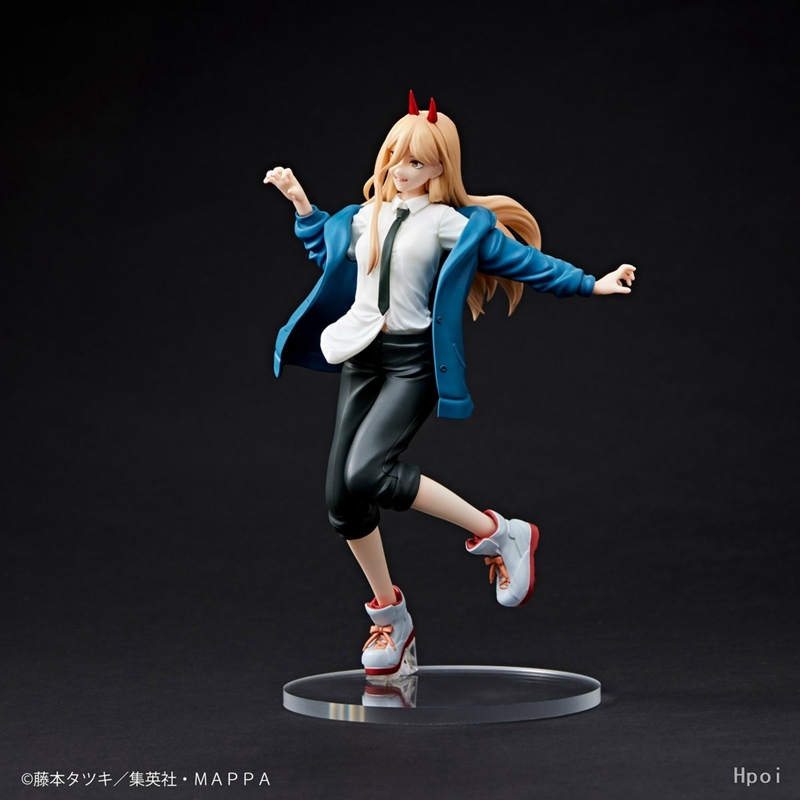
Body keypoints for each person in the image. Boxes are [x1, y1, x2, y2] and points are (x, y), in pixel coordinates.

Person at [264, 91, 636, 679]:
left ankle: (499, 533)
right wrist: (303, 206)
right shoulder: (362, 217)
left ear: (440, 167)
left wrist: (591, 282)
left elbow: (525, 263)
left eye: (416, 160)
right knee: (342, 501)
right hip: (362, 358)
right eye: (395, 155)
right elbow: (326, 254)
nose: (400, 168)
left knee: (368, 473)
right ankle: (392, 619)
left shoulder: (447, 224)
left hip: (411, 364)